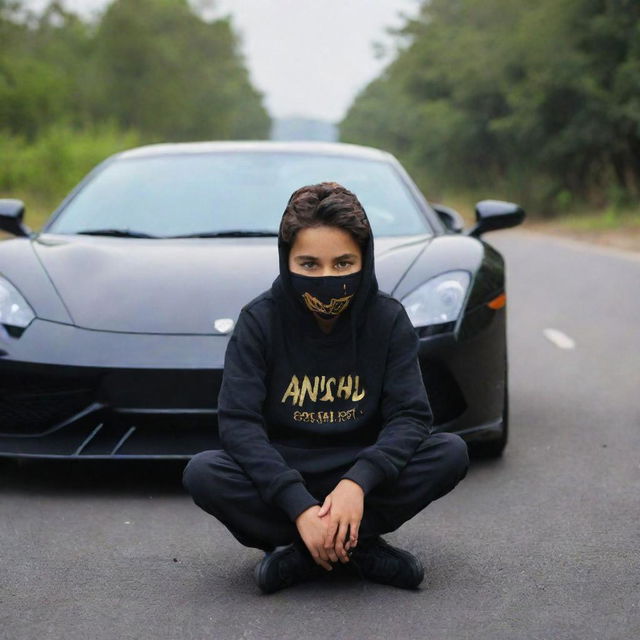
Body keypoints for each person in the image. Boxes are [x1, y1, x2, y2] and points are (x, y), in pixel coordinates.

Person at [182, 181, 469, 594]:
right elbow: (239, 424)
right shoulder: (259, 320)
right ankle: (356, 549)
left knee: (449, 453)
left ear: (364, 260)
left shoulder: (387, 320)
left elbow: (410, 416)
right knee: (205, 472)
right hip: (285, 468)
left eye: (342, 264)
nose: (326, 277)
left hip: (360, 472)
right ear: (287, 261)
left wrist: (357, 483)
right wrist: (298, 505)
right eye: (310, 264)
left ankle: (305, 555)